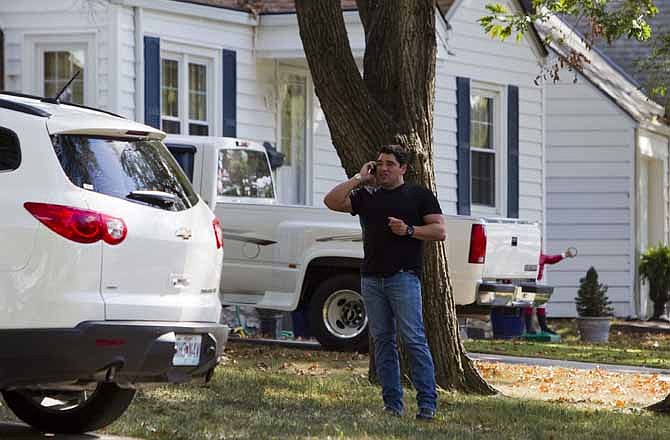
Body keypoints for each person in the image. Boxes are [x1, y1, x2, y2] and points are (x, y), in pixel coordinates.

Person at [323, 144, 446, 421]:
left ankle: (427, 404)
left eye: (390, 163)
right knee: (382, 342)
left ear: (403, 168)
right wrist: (359, 178)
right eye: (380, 163)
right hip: (371, 278)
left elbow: (439, 230)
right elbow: (331, 201)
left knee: (414, 339)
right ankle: (393, 405)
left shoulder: (418, 195)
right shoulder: (367, 196)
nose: (384, 168)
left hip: (403, 277)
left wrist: (409, 230)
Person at [524, 247, 577, 334]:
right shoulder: (527, 256)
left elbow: (551, 259)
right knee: (529, 304)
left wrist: (564, 255)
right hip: (528, 281)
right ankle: (529, 328)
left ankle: (543, 327)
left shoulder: (541, 257)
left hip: (538, 281)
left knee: (541, 304)